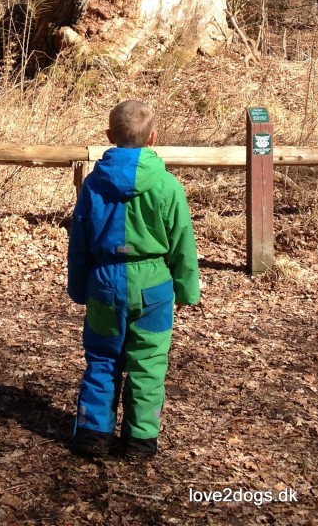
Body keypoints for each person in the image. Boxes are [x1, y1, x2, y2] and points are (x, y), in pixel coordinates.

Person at [67, 99, 200, 460]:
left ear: (109, 136)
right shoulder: (168, 185)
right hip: (154, 282)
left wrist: (78, 286)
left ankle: (94, 435)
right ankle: (140, 440)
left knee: (102, 357)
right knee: (149, 360)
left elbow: (79, 240)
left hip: (105, 280)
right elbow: (182, 241)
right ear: (153, 137)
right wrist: (187, 289)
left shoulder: (95, 184)